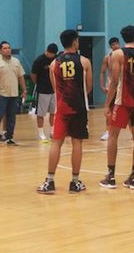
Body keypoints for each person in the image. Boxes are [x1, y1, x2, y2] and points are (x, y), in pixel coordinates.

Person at [37, 29, 93, 194]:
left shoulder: (54, 63)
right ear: (75, 42)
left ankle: (50, 181)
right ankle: (75, 182)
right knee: (77, 143)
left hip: (62, 108)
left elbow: (55, 88)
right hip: (79, 108)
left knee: (56, 143)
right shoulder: (84, 62)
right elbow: (88, 87)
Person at [99, 25, 134, 190]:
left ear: (123, 38)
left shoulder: (118, 54)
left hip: (122, 101)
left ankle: (111, 176)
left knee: (113, 136)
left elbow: (114, 82)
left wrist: (107, 104)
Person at [0, 41, 27, 146]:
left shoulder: (16, 62)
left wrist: (24, 90)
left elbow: (21, 76)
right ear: (0, 50)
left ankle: (9, 137)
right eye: (5, 48)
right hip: (1, 94)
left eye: (9, 47)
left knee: (11, 117)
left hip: (13, 94)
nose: (8, 49)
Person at [31, 43, 59, 142]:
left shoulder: (57, 59)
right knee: (41, 113)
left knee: (53, 112)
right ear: (46, 51)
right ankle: (41, 132)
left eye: (53, 54)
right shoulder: (39, 60)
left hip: (54, 90)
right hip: (43, 90)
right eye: (50, 53)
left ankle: (53, 131)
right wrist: (39, 84)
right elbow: (33, 75)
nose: (51, 55)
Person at [99, 37, 121, 141]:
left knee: (128, 110)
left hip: (123, 87)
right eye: (113, 45)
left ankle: (132, 131)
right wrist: (102, 85)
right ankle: (107, 131)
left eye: (117, 44)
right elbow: (102, 72)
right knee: (108, 110)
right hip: (111, 87)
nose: (116, 46)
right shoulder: (107, 58)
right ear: (110, 46)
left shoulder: (123, 56)